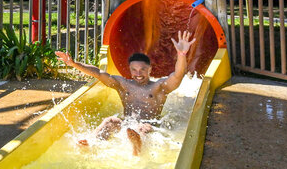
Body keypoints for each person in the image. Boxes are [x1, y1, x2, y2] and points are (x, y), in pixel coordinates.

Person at [55, 30, 196, 156]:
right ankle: (92, 143)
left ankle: (137, 148)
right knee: (110, 121)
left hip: (150, 126)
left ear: (150, 70)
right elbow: (98, 73)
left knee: (142, 127)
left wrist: (181, 54)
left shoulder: (158, 88)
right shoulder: (124, 85)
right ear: (129, 70)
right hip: (127, 125)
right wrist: (74, 64)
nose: (138, 73)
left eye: (142, 69)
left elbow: (178, 75)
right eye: (134, 70)